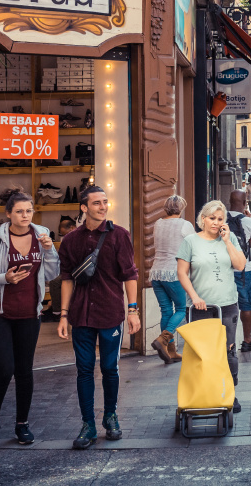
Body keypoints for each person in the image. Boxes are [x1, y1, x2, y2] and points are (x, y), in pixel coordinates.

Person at [0, 191, 59, 448]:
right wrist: (3, 279)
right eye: (19, 211)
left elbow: (53, 273)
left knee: (24, 372)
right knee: (4, 370)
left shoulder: (41, 237)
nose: (25, 216)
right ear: (8, 214)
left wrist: (50, 250)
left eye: (29, 211)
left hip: (29, 315)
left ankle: (22, 424)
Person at [57, 185, 140, 450]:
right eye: (96, 203)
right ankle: (88, 424)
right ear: (84, 207)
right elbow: (67, 279)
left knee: (109, 368)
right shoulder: (71, 241)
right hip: (81, 315)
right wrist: (63, 315)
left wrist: (133, 309)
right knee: (83, 369)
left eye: (105, 202)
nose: (103, 207)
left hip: (110, 312)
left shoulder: (119, 236)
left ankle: (111, 416)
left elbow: (130, 274)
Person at [177, 200, 249, 411]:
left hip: (227, 304)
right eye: (212, 218)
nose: (216, 223)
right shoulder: (190, 241)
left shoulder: (230, 238)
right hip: (199, 307)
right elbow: (182, 272)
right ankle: (203, 393)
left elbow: (240, 265)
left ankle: (230, 393)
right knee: (202, 354)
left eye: (220, 219)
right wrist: (194, 296)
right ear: (203, 219)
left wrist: (227, 241)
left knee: (228, 351)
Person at [149, 195, 193, 364]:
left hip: (156, 272)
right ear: (181, 208)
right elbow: (193, 244)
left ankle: (170, 352)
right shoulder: (185, 225)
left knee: (166, 310)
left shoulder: (158, 224)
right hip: (174, 273)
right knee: (181, 308)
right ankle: (163, 340)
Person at [227, 206, 251, 351]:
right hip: (243, 270)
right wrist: (247, 218)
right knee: (246, 305)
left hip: (225, 270)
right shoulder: (248, 221)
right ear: (243, 203)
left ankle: (227, 342)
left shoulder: (221, 218)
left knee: (226, 305)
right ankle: (247, 340)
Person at [40, 216, 78, 322]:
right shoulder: (70, 238)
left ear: (71, 228)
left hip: (77, 270)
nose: (63, 236)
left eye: (64, 233)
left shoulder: (77, 237)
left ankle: (57, 312)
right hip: (71, 268)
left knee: (55, 282)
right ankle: (55, 307)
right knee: (53, 278)